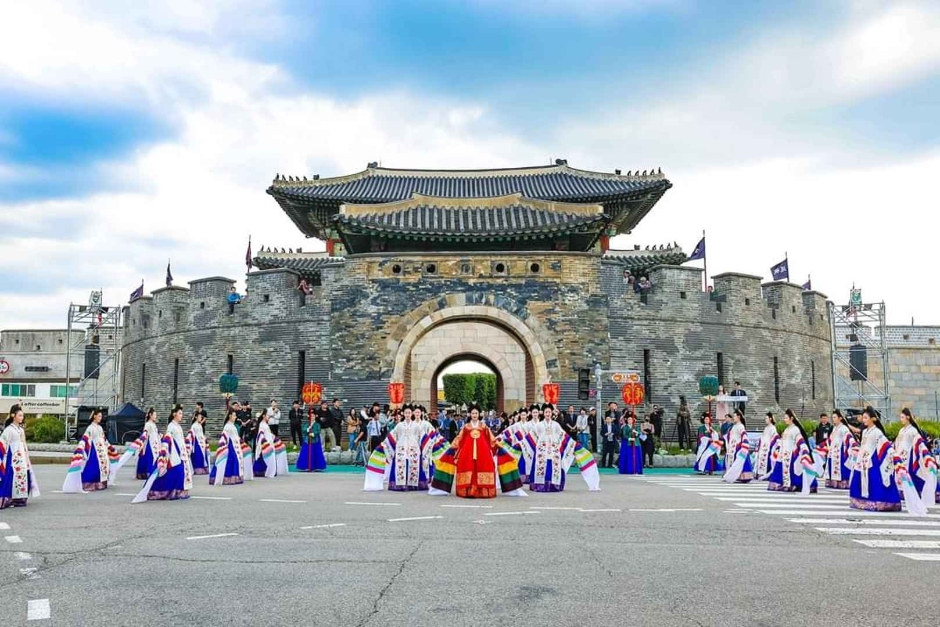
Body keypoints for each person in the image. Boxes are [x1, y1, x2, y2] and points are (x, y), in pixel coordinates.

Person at [429, 404, 525, 498]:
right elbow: (459, 439)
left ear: (479, 414)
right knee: (468, 468)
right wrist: (451, 447)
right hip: (467, 454)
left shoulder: (484, 427)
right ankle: (468, 491)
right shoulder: (466, 427)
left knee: (484, 467)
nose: (474, 415)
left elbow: (491, 439)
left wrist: (499, 446)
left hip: (483, 454)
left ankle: (483, 491)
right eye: (473, 413)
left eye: (476, 413)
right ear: (470, 414)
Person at [517, 404, 600, 492]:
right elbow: (530, 437)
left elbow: (563, 436)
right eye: (546, 412)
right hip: (541, 450)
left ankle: (553, 485)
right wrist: (520, 444)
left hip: (554, 450)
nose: (548, 414)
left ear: (552, 413)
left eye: (549, 412)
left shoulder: (556, 425)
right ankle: (540, 485)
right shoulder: (539, 425)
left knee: (553, 468)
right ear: (544, 414)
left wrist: (573, 444)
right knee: (541, 467)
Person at [133, 407, 192, 502]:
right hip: (173, 452)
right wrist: (164, 450)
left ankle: (178, 491)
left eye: (181, 413)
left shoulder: (178, 426)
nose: (182, 415)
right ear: (174, 414)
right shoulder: (171, 426)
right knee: (171, 472)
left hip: (180, 452)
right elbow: (168, 438)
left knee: (179, 472)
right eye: (180, 413)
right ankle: (158, 490)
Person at [850, 406, 902, 512]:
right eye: (863, 418)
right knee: (859, 479)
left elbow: (885, 444)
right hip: (862, 459)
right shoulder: (864, 432)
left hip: (872, 459)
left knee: (875, 480)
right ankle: (862, 502)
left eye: (865, 418)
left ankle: (880, 502)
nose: (863, 420)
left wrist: (893, 455)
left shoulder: (877, 432)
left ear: (873, 419)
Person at [63, 408, 116, 493]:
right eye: (99, 416)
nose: (100, 418)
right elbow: (85, 438)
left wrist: (110, 448)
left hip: (102, 451)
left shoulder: (100, 427)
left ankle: (101, 483)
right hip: (95, 451)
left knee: (103, 466)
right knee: (94, 467)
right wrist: (81, 447)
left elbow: (104, 440)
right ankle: (89, 484)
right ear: (94, 416)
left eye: (101, 416)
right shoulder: (90, 428)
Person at [894, 408, 937, 508]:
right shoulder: (901, 430)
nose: (901, 419)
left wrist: (926, 454)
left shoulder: (913, 430)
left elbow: (919, 442)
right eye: (900, 417)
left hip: (908, 456)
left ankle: (917, 492)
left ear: (908, 417)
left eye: (902, 417)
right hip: (900, 455)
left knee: (912, 474)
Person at [767, 409, 817, 494]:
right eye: (784, 418)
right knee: (780, 470)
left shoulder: (795, 429)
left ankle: (792, 485)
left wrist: (805, 451)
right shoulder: (787, 429)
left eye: (786, 418)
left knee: (795, 471)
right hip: (783, 454)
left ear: (791, 418)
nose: (784, 419)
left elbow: (800, 441)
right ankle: (786, 484)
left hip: (791, 455)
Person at [0, 404, 40, 508]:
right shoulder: (9, 430)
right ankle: (7, 499)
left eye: (22, 416)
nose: (22, 418)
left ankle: (19, 499)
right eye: (20, 415)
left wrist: (27, 458)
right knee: (10, 477)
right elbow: (3, 444)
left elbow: (24, 445)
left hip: (22, 458)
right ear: (13, 416)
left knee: (23, 477)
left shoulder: (21, 430)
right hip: (13, 458)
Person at [210, 409, 247, 486]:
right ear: (230, 416)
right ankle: (226, 477)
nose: (235, 417)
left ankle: (234, 476)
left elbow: (236, 436)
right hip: (230, 446)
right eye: (234, 415)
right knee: (231, 461)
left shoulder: (232, 425)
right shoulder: (227, 426)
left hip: (235, 446)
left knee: (235, 461)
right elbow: (224, 437)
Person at [825, 410, 854, 489]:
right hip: (833, 450)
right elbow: (830, 439)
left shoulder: (844, 428)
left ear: (840, 418)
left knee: (841, 466)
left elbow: (848, 437)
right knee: (832, 465)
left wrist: (853, 445)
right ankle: (833, 482)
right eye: (832, 417)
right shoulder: (834, 428)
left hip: (840, 450)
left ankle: (842, 483)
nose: (833, 419)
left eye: (835, 417)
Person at [253, 411, 288, 478]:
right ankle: (262, 471)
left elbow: (268, 433)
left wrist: (275, 438)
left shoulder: (265, 424)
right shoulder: (262, 424)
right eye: (267, 415)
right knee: (264, 457)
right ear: (263, 416)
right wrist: (264, 441)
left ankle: (269, 470)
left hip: (269, 443)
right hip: (265, 444)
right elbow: (261, 434)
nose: (268, 417)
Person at [723, 410, 754, 483]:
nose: (733, 418)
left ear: (738, 417)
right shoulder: (734, 426)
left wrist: (743, 445)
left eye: (734, 416)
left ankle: (742, 476)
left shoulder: (741, 426)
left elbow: (744, 435)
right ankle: (732, 475)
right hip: (732, 447)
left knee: (739, 461)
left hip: (738, 447)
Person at [755, 412, 779, 480]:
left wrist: (770, 445)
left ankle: (766, 475)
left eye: (766, 418)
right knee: (761, 459)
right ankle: (760, 473)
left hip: (767, 447)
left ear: (770, 419)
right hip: (763, 447)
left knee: (767, 460)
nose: (765, 420)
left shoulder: (773, 428)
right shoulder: (766, 428)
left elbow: (775, 437)